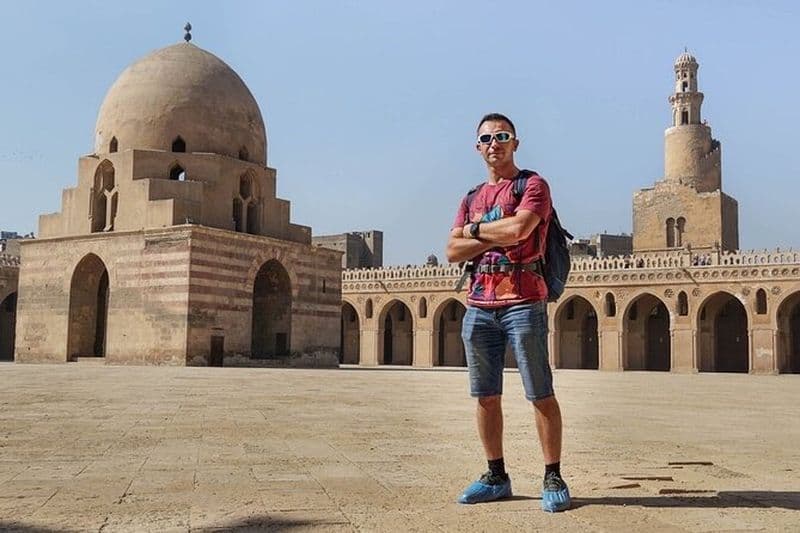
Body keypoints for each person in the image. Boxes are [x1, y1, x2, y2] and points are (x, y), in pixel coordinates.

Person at [445, 113, 570, 512]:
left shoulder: (532, 185)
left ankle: (552, 474)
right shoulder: (470, 197)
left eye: (502, 136)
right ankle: (495, 475)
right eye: (487, 138)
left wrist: (475, 232)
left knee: (540, 392)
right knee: (486, 396)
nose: (494, 143)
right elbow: (451, 251)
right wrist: (483, 233)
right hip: (479, 305)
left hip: (524, 302)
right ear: (477, 147)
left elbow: (521, 231)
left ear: (515, 142)